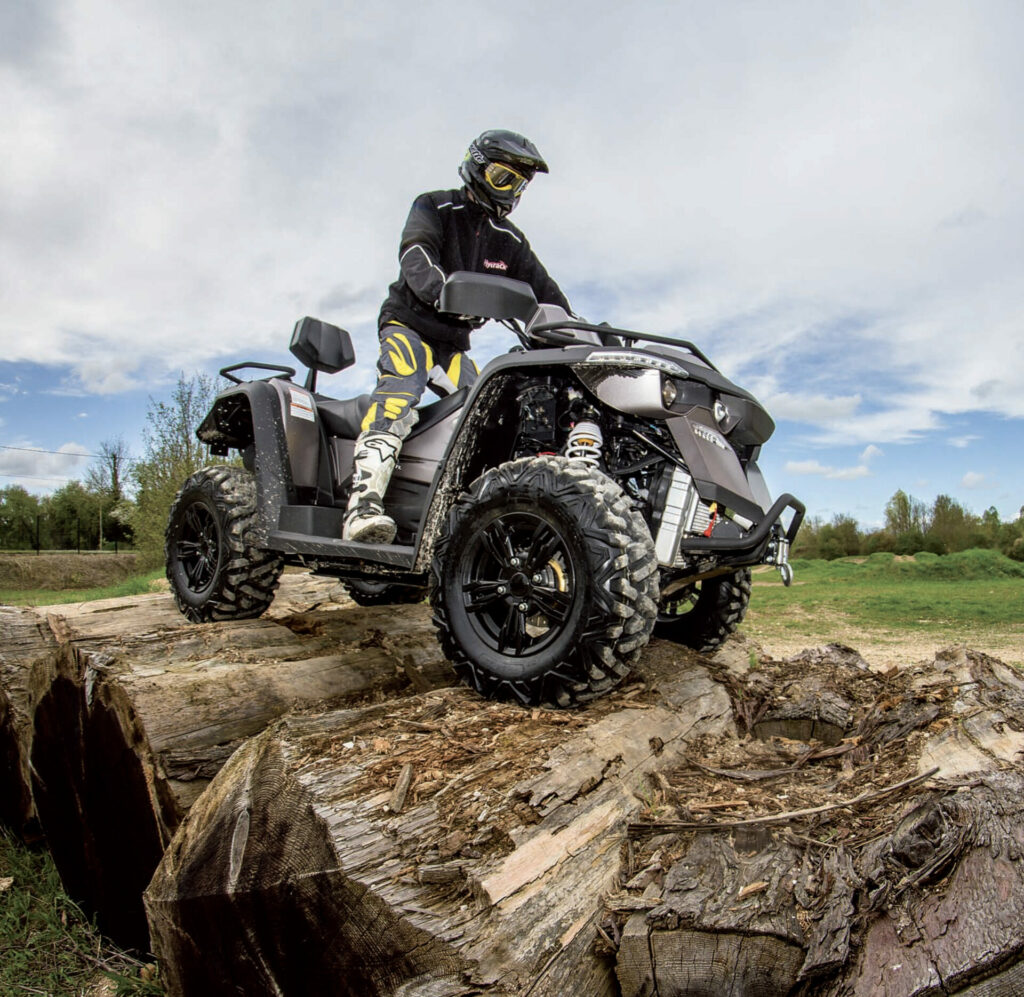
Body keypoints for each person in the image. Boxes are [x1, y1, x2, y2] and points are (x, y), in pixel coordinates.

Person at [343, 129, 574, 543]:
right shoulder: (435, 206)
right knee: (400, 391)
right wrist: (441, 291)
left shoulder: (511, 241)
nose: (510, 191)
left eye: (519, 184)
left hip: (453, 344)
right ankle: (362, 506)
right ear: (476, 168)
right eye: (503, 177)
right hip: (409, 324)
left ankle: (471, 518)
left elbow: (548, 295)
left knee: (484, 415)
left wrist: (575, 333)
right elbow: (416, 255)